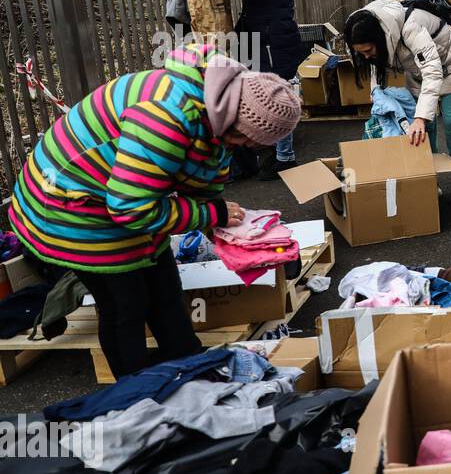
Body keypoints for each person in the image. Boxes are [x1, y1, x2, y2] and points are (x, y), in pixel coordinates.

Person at [6, 44, 300, 379]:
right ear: (234, 118)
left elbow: (206, 163)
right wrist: (207, 215)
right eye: (247, 142)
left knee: (165, 289)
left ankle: (192, 371)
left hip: (123, 195)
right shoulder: (166, 116)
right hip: (68, 205)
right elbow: (131, 209)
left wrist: (214, 214)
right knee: (124, 305)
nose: (247, 150)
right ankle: (135, 394)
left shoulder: (217, 103)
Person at [183, 0, 306, 180]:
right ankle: (262, 153)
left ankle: (284, 158)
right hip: (256, 40)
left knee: (274, 93)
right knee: (252, 92)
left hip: (273, 43)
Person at [341, 0, 451, 204]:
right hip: (419, 74)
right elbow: (376, 64)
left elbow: (432, 70)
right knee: (423, 129)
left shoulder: (410, 28)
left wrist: (420, 116)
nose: (366, 57)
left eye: (368, 51)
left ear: (379, 38)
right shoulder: (373, 27)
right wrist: (376, 92)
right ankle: (429, 175)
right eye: (361, 53)